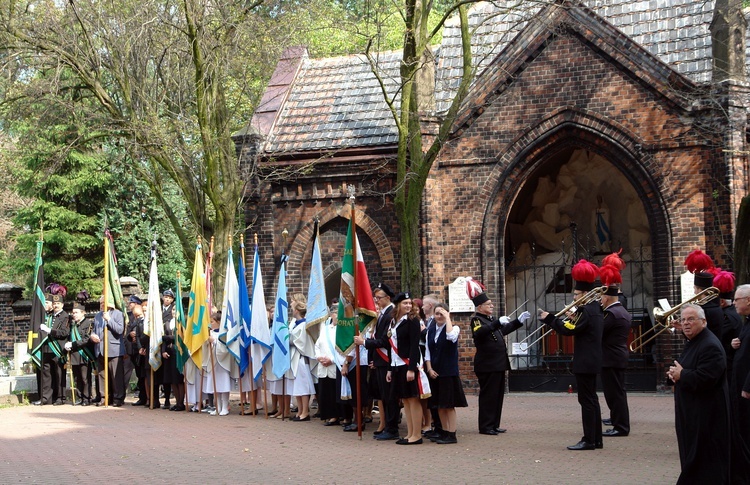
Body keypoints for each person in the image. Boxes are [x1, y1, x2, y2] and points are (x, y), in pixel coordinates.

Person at [539, 259, 603, 450]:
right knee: (592, 399)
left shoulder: (587, 310)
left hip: (585, 361)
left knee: (586, 401)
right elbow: (581, 327)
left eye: (576, 294)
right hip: (592, 359)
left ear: (584, 293)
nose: (574, 298)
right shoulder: (595, 310)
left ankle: (589, 439)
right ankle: (596, 439)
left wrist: (549, 319)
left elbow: (569, 330)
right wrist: (575, 318)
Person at [667, 304, 730, 484]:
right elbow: (688, 366)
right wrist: (675, 374)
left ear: (704, 322)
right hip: (693, 414)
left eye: (691, 319)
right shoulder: (695, 341)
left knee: (704, 463)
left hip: (706, 417)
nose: (686, 324)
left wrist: (682, 375)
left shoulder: (710, 345)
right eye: (683, 320)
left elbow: (707, 377)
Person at [467, 278, 529, 436]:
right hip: (487, 365)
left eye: (492, 304)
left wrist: (518, 322)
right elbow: (480, 333)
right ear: (480, 307)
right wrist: (496, 324)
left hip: (498, 363)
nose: (492, 306)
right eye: (489, 304)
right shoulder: (476, 320)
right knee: (488, 396)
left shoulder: (491, 320)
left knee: (498, 395)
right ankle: (485, 426)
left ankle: (494, 424)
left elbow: (504, 330)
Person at [355, 282, 398, 441]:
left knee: (389, 397)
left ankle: (392, 428)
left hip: (387, 361)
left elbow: (385, 341)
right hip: (380, 361)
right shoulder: (384, 314)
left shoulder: (390, 314)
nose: (376, 300)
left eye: (379, 298)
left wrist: (364, 342)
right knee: (383, 396)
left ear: (388, 297)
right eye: (375, 297)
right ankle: (387, 426)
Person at [424, 302, 467, 444]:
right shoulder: (430, 331)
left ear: (448, 314)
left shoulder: (454, 328)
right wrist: (429, 369)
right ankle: (443, 431)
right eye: (437, 313)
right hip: (434, 372)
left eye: (442, 313)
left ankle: (451, 433)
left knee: (448, 405)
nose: (439, 316)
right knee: (438, 405)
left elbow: (450, 337)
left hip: (448, 372)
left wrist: (448, 318)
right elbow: (427, 353)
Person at [598, 263, 631, 437]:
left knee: (615, 394)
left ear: (608, 298)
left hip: (611, 357)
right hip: (616, 356)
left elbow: (599, 332)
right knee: (617, 393)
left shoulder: (612, 314)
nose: (600, 300)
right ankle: (618, 422)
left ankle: (620, 426)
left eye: (602, 297)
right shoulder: (621, 311)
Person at [385, 292, 423, 444]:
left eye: (410, 303)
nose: (408, 306)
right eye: (405, 303)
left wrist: (412, 369)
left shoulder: (412, 320)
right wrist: (389, 368)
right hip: (396, 365)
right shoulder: (394, 321)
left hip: (407, 364)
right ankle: (410, 433)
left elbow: (415, 346)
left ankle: (417, 435)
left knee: (413, 399)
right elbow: (390, 346)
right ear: (398, 305)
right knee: (405, 400)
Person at [730, 283, 750, 484]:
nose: (734, 302)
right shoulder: (746, 322)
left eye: (738, 299)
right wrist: (736, 342)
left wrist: (748, 387)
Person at [37, 292, 70, 405]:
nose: (56, 305)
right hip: (47, 349)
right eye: (54, 303)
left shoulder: (65, 316)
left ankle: (61, 398)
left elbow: (64, 333)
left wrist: (50, 331)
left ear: (62, 305)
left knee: (59, 374)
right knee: (47, 375)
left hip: (58, 349)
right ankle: (46, 398)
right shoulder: (49, 316)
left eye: (58, 303)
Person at [93, 296, 126, 407]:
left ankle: (118, 398)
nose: (101, 305)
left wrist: (109, 319)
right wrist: (92, 336)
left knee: (116, 376)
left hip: (114, 349)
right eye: (100, 303)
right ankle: (104, 397)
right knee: (102, 375)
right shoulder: (97, 315)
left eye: (103, 303)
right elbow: (94, 330)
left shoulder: (118, 314)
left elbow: (120, 330)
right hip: (100, 349)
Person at [684, 250, 723, 341]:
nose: (694, 292)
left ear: (700, 290)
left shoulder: (704, 310)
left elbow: (696, 335)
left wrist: (683, 328)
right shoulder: (715, 307)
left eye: (695, 289)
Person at [315, 305, 344, 426]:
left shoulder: (342, 330)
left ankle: (337, 416)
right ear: (331, 314)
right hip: (323, 365)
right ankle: (327, 414)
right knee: (325, 391)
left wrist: (331, 359)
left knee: (334, 391)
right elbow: (317, 345)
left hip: (335, 364)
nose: (337, 315)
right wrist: (319, 357)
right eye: (335, 313)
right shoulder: (325, 328)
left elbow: (342, 347)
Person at [289, 294, 316, 422]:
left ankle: (305, 411)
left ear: (297, 310)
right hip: (294, 357)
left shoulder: (304, 325)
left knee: (303, 386)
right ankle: (299, 410)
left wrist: (289, 340)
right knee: (297, 386)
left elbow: (302, 341)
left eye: (292, 306)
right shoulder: (294, 324)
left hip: (300, 357)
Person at [64, 302, 97, 406]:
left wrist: (73, 344)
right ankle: (80, 397)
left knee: (85, 378)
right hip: (74, 355)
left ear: (83, 313)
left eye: (76, 312)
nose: (74, 314)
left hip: (84, 354)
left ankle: (87, 398)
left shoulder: (88, 323)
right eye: (73, 313)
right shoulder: (73, 325)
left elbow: (87, 339)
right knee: (77, 378)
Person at [161, 306, 185, 411]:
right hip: (168, 353)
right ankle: (176, 401)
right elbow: (162, 338)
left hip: (178, 353)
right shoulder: (167, 322)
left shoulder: (183, 322)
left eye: (177, 310)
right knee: (172, 379)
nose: (174, 312)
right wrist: (163, 351)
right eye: (173, 310)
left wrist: (168, 338)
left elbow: (182, 337)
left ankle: (181, 402)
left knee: (179, 379)